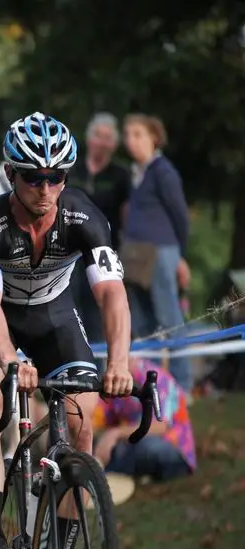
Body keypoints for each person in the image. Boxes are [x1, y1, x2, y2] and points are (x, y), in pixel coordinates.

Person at [0, 112, 134, 549]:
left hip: (54, 318)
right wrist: (10, 359)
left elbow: (112, 293)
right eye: (34, 177)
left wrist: (118, 361)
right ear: (10, 175)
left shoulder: (84, 215)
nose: (45, 188)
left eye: (56, 177)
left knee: (81, 422)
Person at [122, 113, 192, 390]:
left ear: (154, 137)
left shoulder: (164, 171)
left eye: (138, 134)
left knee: (170, 319)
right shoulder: (138, 174)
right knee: (143, 322)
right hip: (135, 254)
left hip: (162, 252)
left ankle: (183, 385)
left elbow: (180, 216)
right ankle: (151, 384)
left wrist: (179, 256)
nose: (131, 141)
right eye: (127, 135)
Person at [67, 113, 132, 347]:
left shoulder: (121, 175)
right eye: (98, 136)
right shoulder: (72, 169)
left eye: (107, 138)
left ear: (114, 144)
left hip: (102, 250)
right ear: (89, 138)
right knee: (69, 302)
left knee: (99, 305)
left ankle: (98, 363)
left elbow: (127, 214)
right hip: (67, 249)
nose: (102, 143)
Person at [93, 356, 195, 482]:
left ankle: (111, 471)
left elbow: (160, 426)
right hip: (132, 442)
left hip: (171, 449)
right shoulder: (117, 381)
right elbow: (102, 419)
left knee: (144, 447)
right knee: (96, 443)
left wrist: (115, 434)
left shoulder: (153, 378)